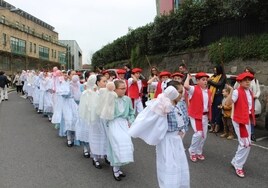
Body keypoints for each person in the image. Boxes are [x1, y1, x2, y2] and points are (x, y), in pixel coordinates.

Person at [129, 85, 189, 187]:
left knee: (179, 164)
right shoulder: (161, 105)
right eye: (178, 92)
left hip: (177, 140)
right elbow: (150, 119)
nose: (181, 94)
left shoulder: (181, 104)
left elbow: (184, 120)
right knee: (169, 165)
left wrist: (182, 130)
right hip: (167, 140)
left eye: (182, 91)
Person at [225, 72, 255, 178]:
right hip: (239, 120)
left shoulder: (250, 91)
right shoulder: (237, 92)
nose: (248, 81)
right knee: (245, 144)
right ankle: (238, 165)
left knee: (246, 143)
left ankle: (236, 161)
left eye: (249, 80)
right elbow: (227, 103)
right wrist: (232, 91)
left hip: (247, 119)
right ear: (240, 82)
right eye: (245, 80)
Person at [106, 80, 135, 181]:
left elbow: (131, 112)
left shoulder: (127, 99)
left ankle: (118, 168)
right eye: (122, 88)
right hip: (113, 123)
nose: (124, 90)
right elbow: (105, 113)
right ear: (115, 89)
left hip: (124, 124)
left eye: (125, 88)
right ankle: (115, 169)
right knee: (116, 145)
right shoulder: (110, 99)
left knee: (125, 144)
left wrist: (131, 120)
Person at [184, 72, 212, 162]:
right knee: (198, 133)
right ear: (197, 81)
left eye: (206, 80)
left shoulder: (208, 91)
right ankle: (192, 151)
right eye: (203, 80)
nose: (205, 82)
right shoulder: (193, 89)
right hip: (196, 115)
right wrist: (188, 78)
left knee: (204, 135)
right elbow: (186, 86)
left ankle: (199, 151)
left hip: (204, 115)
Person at [233, 67, 261, 142]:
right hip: (242, 100)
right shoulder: (241, 81)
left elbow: (258, 90)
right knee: (244, 117)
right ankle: (244, 135)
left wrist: (256, 96)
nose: (247, 72)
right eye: (245, 71)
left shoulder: (255, 80)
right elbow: (235, 88)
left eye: (248, 71)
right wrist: (238, 80)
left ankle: (251, 133)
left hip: (252, 99)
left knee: (251, 116)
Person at [208, 65, 226, 133]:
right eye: (214, 70)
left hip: (218, 96)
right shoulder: (212, 77)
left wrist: (209, 81)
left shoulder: (222, 76)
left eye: (216, 70)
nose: (214, 71)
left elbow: (219, 84)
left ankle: (217, 127)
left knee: (218, 112)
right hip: (212, 96)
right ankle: (212, 126)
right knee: (212, 112)